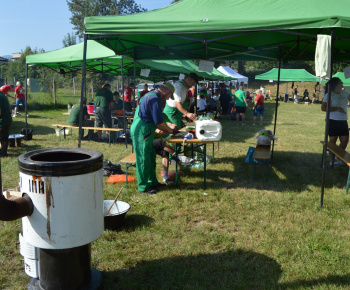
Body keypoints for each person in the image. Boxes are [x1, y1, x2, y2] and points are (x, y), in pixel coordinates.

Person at [131, 83, 178, 194]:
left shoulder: (150, 95)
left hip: (147, 130)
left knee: (150, 157)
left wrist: (161, 128)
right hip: (142, 131)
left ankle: (152, 182)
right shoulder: (154, 99)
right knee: (143, 159)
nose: (167, 99)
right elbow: (159, 122)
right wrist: (170, 130)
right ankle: (144, 186)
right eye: (168, 96)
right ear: (166, 91)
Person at [321, 77, 350, 166]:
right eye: (341, 82)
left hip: (343, 120)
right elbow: (323, 108)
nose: (342, 84)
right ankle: (331, 160)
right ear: (337, 85)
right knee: (332, 141)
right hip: (332, 120)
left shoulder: (344, 93)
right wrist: (336, 109)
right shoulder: (329, 94)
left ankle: (338, 157)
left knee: (345, 140)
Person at [0, 91, 12, 157]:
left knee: (3, 139)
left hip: (3, 121)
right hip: (6, 119)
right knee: (3, 138)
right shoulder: (1, 93)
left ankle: (3, 154)